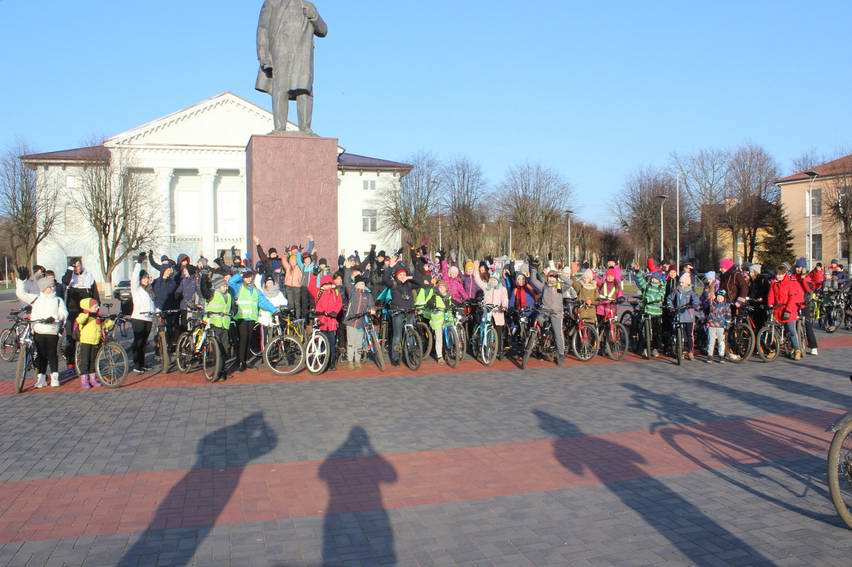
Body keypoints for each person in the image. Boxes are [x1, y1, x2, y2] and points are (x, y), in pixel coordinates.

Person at [15, 267, 67, 388]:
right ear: (44, 289)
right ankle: (41, 378)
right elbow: (21, 294)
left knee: (52, 354)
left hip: (52, 331)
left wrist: (55, 317)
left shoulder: (58, 300)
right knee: (41, 355)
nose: (52, 288)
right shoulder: (36, 299)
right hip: (38, 330)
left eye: (53, 286)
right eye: (49, 287)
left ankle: (54, 377)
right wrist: (21, 281)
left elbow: (64, 313)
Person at [228, 269, 277, 372]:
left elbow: (263, 302)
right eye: (246, 276)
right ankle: (241, 362)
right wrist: (239, 274)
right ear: (243, 277)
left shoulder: (255, 289)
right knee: (244, 339)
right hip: (241, 317)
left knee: (249, 339)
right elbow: (230, 282)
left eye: (250, 276)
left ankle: (245, 361)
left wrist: (274, 310)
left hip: (252, 317)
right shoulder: (238, 287)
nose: (249, 278)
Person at [382, 264, 424, 367]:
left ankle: (411, 353)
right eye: (400, 274)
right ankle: (395, 358)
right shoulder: (393, 284)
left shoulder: (409, 284)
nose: (402, 276)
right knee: (397, 336)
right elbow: (384, 279)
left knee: (410, 333)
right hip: (398, 311)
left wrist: (410, 277)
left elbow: (420, 282)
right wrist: (391, 267)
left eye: (403, 274)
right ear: (396, 275)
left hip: (409, 311)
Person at [61, 259, 99, 369]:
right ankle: (71, 362)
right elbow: (65, 281)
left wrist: (97, 306)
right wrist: (70, 269)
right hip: (73, 309)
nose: (77, 268)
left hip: (87, 309)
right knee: (71, 336)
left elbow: (95, 292)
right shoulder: (69, 276)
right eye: (75, 266)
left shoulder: (89, 276)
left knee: (88, 335)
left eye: (78, 265)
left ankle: (89, 361)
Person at [530, 267, 568, 366]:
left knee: (558, 334)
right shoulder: (544, 286)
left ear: (556, 278)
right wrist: (533, 269)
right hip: (545, 312)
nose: (551, 279)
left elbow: (570, 283)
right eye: (550, 277)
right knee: (538, 320)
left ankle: (560, 354)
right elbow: (533, 281)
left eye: (553, 277)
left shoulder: (560, 287)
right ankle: (536, 342)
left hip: (556, 313)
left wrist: (560, 275)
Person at [200, 273, 233, 381]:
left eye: (226, 285)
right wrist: (204, 277)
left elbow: (233, 307)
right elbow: (204, 289)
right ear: (218, 286)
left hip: (225, 324)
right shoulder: (212, 294)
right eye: (224, 286)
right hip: (214, 323)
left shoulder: (229, 296)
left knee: (224, 349)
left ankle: (222, 370)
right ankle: (217, 371)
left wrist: (233, 311)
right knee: (217, 350)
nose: (226, 287)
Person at [75, 298, 113, 389]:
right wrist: (88, 314)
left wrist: (111, 320)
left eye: (97, 306)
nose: (97, 308)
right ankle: (84, 379)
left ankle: (93, 379)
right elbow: (79, 320)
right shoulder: (83, 315)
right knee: (84, 361)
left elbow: (105, 325)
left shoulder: (98, 316)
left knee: (93, 361)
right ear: (88, 307)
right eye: (95, 306)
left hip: (96, 341)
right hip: (85, 341)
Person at [767, 264, 804, 360]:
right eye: (777, 274)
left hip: (789, 309)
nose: (778, 276)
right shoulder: (774, 283)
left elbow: (793, 298)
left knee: (791, 330)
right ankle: (774, 349)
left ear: (784, 274)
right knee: (774, 330)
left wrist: (788, 310)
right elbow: (771, 295)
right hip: (778, 309)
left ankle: (797, 350)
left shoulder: (790, 283)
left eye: (780, 274)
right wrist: (770, 304)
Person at [310, 274, 344, 371]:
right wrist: (314, 275)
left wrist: (335, 312)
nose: (327, 286)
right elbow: (310, 286)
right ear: (322, 285)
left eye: (329, 284)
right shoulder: (319, 293)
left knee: (332, 343)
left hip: (332, 322)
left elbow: (339, 303)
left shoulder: (335, 293)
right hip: (323, 322)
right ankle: (324, 362)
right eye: (325, 284)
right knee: (323, 344)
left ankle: (332, 363)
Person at [665, 273, 701, 360]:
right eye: (680, 282)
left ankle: (690, 351)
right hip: (679, 315)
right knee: (678, 334)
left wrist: (693, 304)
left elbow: (696, 301)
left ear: (687, 283)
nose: (681, 284)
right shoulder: (676, 291)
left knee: (689, 335)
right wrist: (670, 306)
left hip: (689, 317)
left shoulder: (691, 291)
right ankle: (679, 350)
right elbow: (669, 298)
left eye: (683, 282)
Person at [474, 271, 509, 360]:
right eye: (492, 279)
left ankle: (499, 351)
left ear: (498, 281)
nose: (493, 281)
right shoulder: (487, 287)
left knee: (498, 333)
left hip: (498, 313)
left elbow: (505, 299)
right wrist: (475, 269)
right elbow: (478, 280)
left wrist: (504, 306)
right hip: (487, 312)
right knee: (484, 329)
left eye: (495, 280)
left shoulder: (502, 289)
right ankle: (482, 346)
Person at [130, 254, 155, 373]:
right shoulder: (136, 289)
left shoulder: (149, 290)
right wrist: (138, 263)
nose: (146, 279)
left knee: (144, 343)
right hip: (138, 318)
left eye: (147, 277)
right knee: (138, 342)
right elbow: (134, 278)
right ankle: (136, 365)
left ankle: (142, 363)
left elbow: (153, 304)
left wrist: (158, 312)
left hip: (148, 319)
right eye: (144, 278)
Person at [343, 275, 375, 369]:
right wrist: (348, 271)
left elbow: (371, 305)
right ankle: (350, 361)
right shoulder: (352, 293)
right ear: (356, 285)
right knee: (351, 343)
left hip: (361, 323)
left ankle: (357, 360)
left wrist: (372, 309)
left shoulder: (367, 295)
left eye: (363, 284)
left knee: (359, 343)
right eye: (360, 284)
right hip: (351, 321)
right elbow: (347, 283)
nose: (362, 285)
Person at [635, 270, 665, 358]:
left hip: (657, 312)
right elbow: (641, 282)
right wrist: (638, 272)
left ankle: (654, 348)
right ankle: (645, 349)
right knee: (645, 332)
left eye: (655, 278)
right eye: (652, 278)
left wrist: (648, 299)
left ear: (658, 280)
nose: (653, 280)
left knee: (656, 332)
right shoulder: (647, 286)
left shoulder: (661, 287)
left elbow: (660, 296)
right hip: (647, 311)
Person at [793, 257, 819, 356]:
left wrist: (803, 279)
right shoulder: (794, 276)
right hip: (795, 304)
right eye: (796, 267)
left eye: (799, 267)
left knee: (808, 325)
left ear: (804, 268)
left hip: (804, 304)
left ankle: (813, 346)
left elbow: (809, 290)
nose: (797, 269)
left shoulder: (807, 277)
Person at [706, 289, 731, 363]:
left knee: (721, 342)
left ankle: (721, 355)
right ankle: (710, 355)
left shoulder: (726, 305)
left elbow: (728, 316)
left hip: (721, 326)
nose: (719, 298)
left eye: (721, 297)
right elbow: (708, 308)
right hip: (712, 325)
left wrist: (727, 326)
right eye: (718, 296)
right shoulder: (712, 303)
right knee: (711, 341)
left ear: (724, 298)